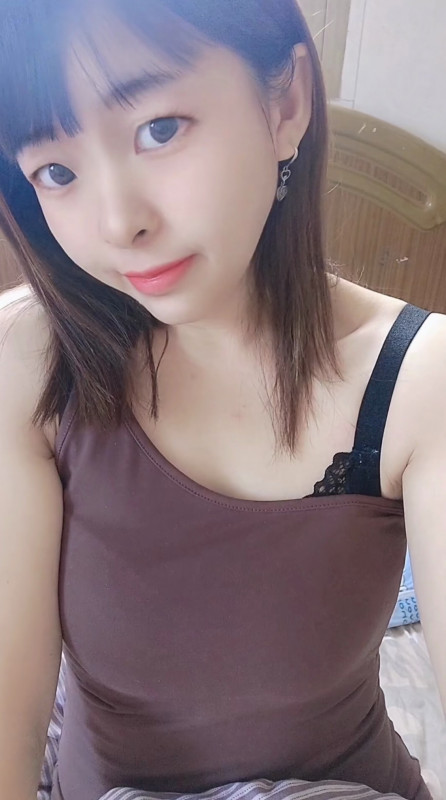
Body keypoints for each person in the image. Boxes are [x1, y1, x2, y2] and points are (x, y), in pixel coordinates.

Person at [0, 1, 444, 799]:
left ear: (285, 103)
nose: (119, 223)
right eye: (57, 173)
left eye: (159, 129)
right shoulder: (31, 358)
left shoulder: (420, 381)